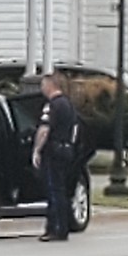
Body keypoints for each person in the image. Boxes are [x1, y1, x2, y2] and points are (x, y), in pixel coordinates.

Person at [32, 73, 77, 242]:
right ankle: (63, 226)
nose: (42, 88)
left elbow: (44, 130)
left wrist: (37, 150)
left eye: (43, 85)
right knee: (62, 189)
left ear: (51, 85)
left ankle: (55, 228)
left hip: (53, 152)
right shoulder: (68, 105)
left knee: (53, 190)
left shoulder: (52, 106)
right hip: (66, 150)